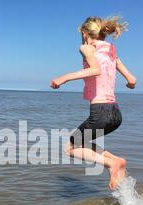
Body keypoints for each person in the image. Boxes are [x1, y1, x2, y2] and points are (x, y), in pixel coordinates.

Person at [50, 16, 137, 190]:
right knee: (81, 143)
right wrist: (128, 83)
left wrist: (63, 78)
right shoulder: (111, 50)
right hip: (115, 114)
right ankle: (115, 161)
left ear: (84, 33)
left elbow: (95, 70)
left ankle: (111, 164)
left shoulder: (86, 47)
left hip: (100, 112)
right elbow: (132, 80)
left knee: (70, 148)